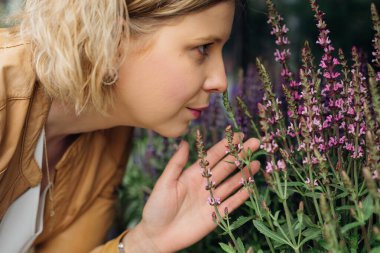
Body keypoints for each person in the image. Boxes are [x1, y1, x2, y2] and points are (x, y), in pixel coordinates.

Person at [0, 0, 261, 252]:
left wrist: (145, 243)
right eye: (203, 48)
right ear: (115, 39)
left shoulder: (109, 138)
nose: (220, 81)